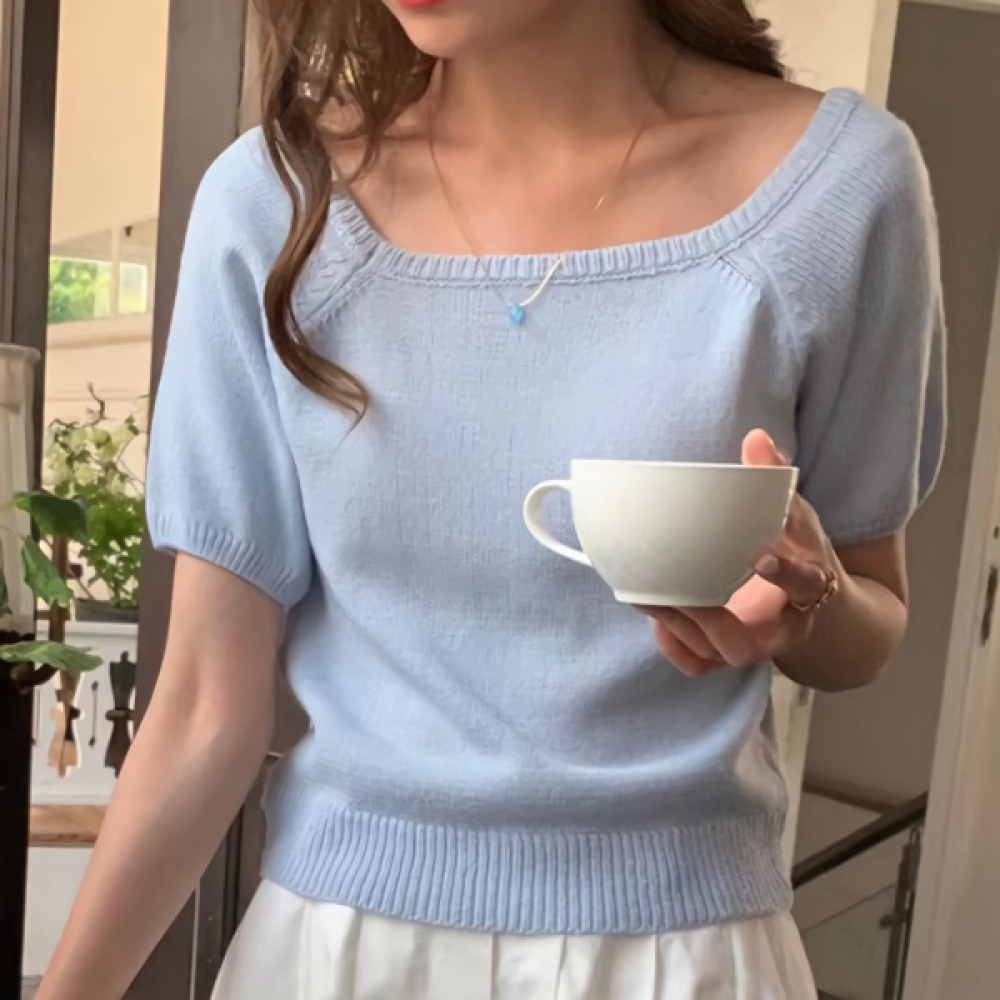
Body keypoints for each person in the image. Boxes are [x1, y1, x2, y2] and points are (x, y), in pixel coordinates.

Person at [37, 0, 946, 997]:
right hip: (333, 959)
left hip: (683, 957)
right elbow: (205, 706)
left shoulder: (841, 188)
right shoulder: (273, 202)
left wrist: (808, 601)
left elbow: (872, 617)